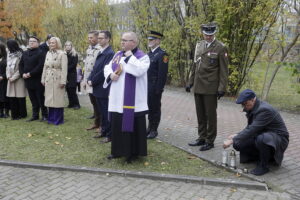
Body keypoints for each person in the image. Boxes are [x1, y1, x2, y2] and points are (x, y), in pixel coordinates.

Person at [104, 32, 150, 163]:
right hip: (117, 99)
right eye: (121, 40)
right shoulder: (117, 54)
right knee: (117, 125)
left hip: (133, 101)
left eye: (125, 40)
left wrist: (130, 57)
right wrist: (111, 75)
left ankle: (132, 153)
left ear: (134, 43)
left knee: (132, 128)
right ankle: (117, 151)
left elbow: (139, 71)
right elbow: (106, 67)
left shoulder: (142, 57)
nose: (122, 42)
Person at [223, 89, 289, 176]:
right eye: (242, 104)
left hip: (278, 139)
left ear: (253, 99)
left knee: (262, 139)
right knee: (238, 142)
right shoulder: (254, 107)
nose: (244, 106)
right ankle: (258, 157)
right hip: (265, 135)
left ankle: (264, 166)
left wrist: (232, 140)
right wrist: (237, 135)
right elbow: (251, 127)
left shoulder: (264, 110)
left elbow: (252, 129)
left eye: (245, 103)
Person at [186, 22, 229, 151]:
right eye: (206, 35)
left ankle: (210, 141)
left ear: (214, 33)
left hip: (211, 87)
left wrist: (222, 88)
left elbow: (224, 71)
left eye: (210, 35)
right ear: (203, 33)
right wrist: (190, 82)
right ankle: (201, 138)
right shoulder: (199, 45)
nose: (208, 37)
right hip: (198, 85)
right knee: (200, 114)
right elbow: (195, 65)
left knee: (210, 115)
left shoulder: (221, 47)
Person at [88, 30, 114, 143]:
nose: (99, 40)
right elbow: (95, 68)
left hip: (103, 86)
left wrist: (92, 81)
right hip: (97, 86)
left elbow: (104, 71)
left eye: (102, 38)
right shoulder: (101, 51)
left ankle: (109, 134)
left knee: (105, 111)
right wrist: (89, 78)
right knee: (101, 110)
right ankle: (103, 131)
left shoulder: (110, 53)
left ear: (108, 39)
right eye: (98, 38)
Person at [19, 36, 48, 122]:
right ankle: (35, 115)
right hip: (27, 80)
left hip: (37, 79)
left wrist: (30, 74)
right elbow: (20, 65)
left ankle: (44, 115)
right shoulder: (25, 53)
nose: (31, 43)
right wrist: (22, 74)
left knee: (40, 98)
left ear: (38, 43)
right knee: (32, 98)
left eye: (33, 41)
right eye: (30, 41)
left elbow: (40, 66)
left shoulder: (41, 53)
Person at [146, 30, 169, 139]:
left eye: (152, 40)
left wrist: (159, 88)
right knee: (149, 108)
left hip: (155, 87)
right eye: (149, 39)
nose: (149, 41)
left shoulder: (162, 54)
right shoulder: (149, 54)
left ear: (158, 41)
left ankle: (154, 130)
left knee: (155, 108)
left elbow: (162, 74)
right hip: (147, 86)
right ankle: (149, 127)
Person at [41, 37, 67, 125]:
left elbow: (64, 69)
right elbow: (45, 66)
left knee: (58, 99)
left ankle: (58, 119)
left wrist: (63, 81)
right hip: (49, 78)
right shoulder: (48, 53)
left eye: (53, 43)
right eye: (50, 43)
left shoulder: (62, 54)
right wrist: (43, 78)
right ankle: (51, 118)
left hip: (57, 78)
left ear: (57, 44)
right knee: (49, 99)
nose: (51, 44)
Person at [83, 30, 102, 131]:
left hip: (95, 79)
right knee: (93, 102)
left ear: (97, 38)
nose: (90, 39)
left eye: (92, 37)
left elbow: (97, 67)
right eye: (89, 38)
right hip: (88, 78)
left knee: (98, 103)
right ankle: (96, 122)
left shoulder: (100, 49)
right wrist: (84, 80)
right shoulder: (89, 49)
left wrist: (92, 80)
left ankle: (101, 124)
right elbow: (86, 66)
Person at [6, 39, 27, 120]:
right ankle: (14, 114)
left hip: (18, 79)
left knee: (20, 97)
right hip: (10, 78)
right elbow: (7, 67)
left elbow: (21, 68)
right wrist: (8, 76)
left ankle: (22, 114)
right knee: (12, 98)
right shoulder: (9, 54)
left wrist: (14, 77)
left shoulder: (21, 54)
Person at [64, 41, 80, 109]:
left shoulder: (74, 54)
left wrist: (65, 69)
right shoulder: (64, 54)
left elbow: (73, 65)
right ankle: (71, 104)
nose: (68, 46)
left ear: (71, 46)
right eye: (66, 45)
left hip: (72, 74)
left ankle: (76, 104)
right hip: (66, 75)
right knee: (68, 90)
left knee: (72, 90)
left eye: (69, 45)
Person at [0, 43, 10, 118]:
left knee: (5, 97)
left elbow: (9, 70)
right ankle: (1, 112)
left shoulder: (7, 58)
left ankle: (6, 112)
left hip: (4, 80)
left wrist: (3, 76)